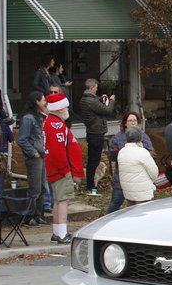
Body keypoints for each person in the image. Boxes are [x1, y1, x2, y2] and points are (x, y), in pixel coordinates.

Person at [43, 92, 84, 244]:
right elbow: (58, 150)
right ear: (59, 108)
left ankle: (57, 232)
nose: (67, 109)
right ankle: (62, 233)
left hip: (57, 168)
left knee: (58, 200)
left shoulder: (52, 123)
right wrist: (66, 169)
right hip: (61, 170)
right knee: (63, 201)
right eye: (65, 107)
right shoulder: (56, 125)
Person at [107, 110, 155, 213]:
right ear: (125, 123)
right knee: (115, 203)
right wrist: (116, 153)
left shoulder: (144, 136)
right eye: (130, 120)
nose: (133, 123)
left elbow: (151, 152)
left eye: (135, 120)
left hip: (138, 178)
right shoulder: (118, 137)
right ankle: (105, 223)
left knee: (140, 208)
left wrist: (139, 156)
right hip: (121, 178)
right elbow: (111, 155)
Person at [77, 79, 115, 196]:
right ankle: (90, 186)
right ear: (92, 87)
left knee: (93, 160)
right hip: (96, 133)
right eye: (96, 88)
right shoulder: (90, 101)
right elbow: (108, 110)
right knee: (94, 161)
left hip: (93, 131)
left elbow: (98, 105)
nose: (97, 89)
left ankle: (91, 184)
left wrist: (101, 98)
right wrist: (112, 101)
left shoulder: (86, 99)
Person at [17, 91, 49, 227]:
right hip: (34, 157)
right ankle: (29, 215)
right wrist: (33, 152)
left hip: (41, 155)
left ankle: (38, 214)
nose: (45, 102)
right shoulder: (29, 118)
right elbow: (22, 139)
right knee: (34, 188)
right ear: (36, 101)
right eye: (43, 100)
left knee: (42, 186)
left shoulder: (39, 117)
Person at [117, 126, 158, 206]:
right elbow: (154, 172)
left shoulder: (122, 152)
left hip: (128, 191)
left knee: (131, 211)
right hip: (143, 192)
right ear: (140, 138)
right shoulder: (143, 152)